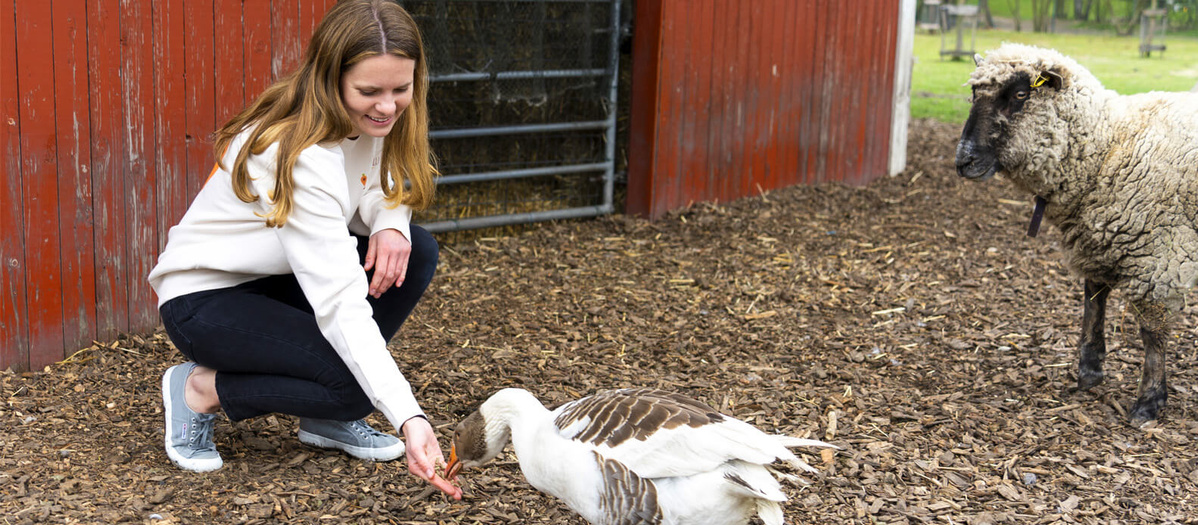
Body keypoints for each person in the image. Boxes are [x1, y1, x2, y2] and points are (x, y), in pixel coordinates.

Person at [147, 0, 460, 499]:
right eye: (370, 91)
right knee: (354, 387)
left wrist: (390, 224)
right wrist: (409, 417)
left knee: (414, 248)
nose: (387, 106)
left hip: (279, 278)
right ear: (331, 79)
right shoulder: (298, 153)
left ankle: (323, 414)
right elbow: (339, 301)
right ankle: (200, 390)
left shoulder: (368, 118)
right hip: (206, 300)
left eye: (400, 89)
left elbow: (380, 183)